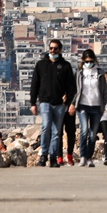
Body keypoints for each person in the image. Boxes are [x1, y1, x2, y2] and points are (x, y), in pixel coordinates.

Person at [30, 39, 75, 167]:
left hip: (60, 104)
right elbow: (35, 84)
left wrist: (70, 101)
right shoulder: (41, 65)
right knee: (45, 127)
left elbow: (71, 86)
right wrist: (33, 102)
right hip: (45, 102)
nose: (52, 51)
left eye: (55, 48)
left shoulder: (65, 66)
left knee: (56, 132)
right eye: (51, 48)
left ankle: (53, 157)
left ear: (60, 50)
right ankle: (43, 154)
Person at [73, 49, 107, 167]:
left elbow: (104, 91)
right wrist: (73, 103)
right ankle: (82, 156)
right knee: (84, 131)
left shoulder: (100, 72)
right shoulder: (79, 72)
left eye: (91, 61)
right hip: (82, 105)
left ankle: (89, 157)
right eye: (86, 61)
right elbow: (76, 89)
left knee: (93, 135)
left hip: (96, 106)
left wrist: (105, 104)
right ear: (83, 61)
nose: (89, 63)